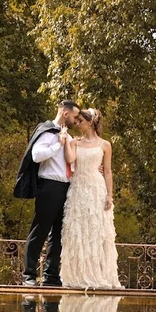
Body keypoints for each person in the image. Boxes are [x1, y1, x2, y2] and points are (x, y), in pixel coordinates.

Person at [14, 100, 80, 287]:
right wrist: (57, 145)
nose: (76, 121)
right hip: (49, 186)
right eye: (75, 117)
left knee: (58, 233)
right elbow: (36, 156)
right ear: (65, 114)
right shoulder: (47, 131)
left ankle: (51, 276)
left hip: (65, 187)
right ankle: (29, 275)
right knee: (40, 229)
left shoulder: (66, 135)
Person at [59, 108, 121, 289]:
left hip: (96, 189)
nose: (77, 124)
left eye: (80, 121)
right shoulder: (75, 143)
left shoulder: (105, 145)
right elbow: (70, 159)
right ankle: (77, 276)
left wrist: (110, 195)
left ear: (90, 122)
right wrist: (64, 141)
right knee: (77, 231)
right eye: (76, 121)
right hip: (78, 188)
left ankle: (98, 275)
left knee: (96, 232)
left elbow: (108, 171)